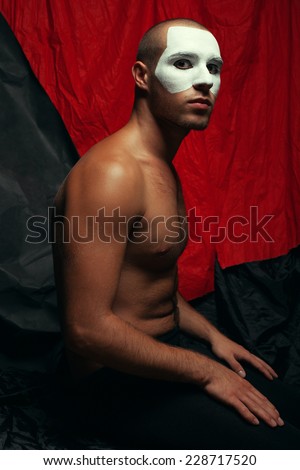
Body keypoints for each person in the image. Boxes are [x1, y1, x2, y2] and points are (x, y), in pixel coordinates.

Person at [52, 18, 300, 449]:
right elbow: (86, 329)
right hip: (113, 384)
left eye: (214, 67)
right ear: (142, 77)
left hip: (164, 357)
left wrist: (213, 337)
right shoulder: (113, 173)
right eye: (184, 63)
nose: (205, 81)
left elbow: (148, 278)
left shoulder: (158, 163)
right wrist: (206, 369)